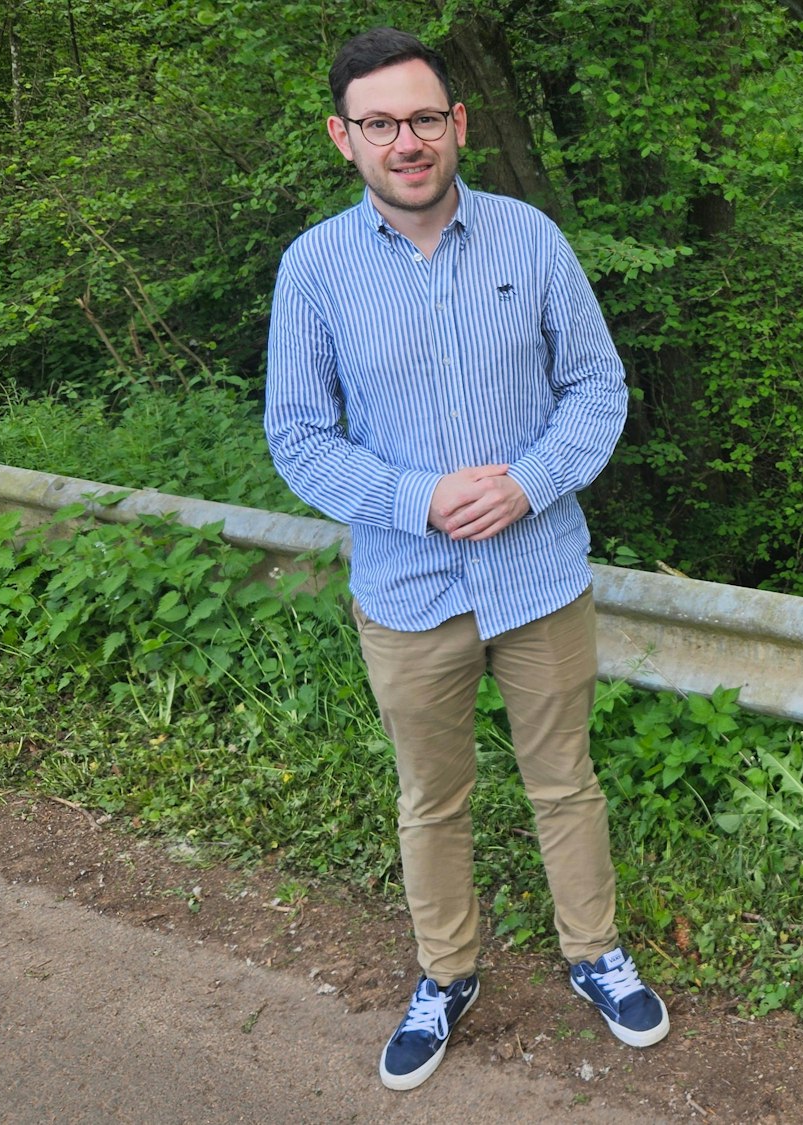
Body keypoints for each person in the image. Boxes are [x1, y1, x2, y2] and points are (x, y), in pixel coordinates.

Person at [263, 27, 666, 1092]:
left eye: (425, 118)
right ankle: (446, 973)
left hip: (539, 579)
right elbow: (298, 436)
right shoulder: (314, 269)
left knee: (564, 783)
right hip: (406, 588)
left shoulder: (531, 240)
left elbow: (597, 388)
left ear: (459, 126)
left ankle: (594, 953)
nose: (408, 141)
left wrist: (530, 482)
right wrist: (414, 499)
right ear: (343, 138)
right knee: (429, 797)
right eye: (382, 123)